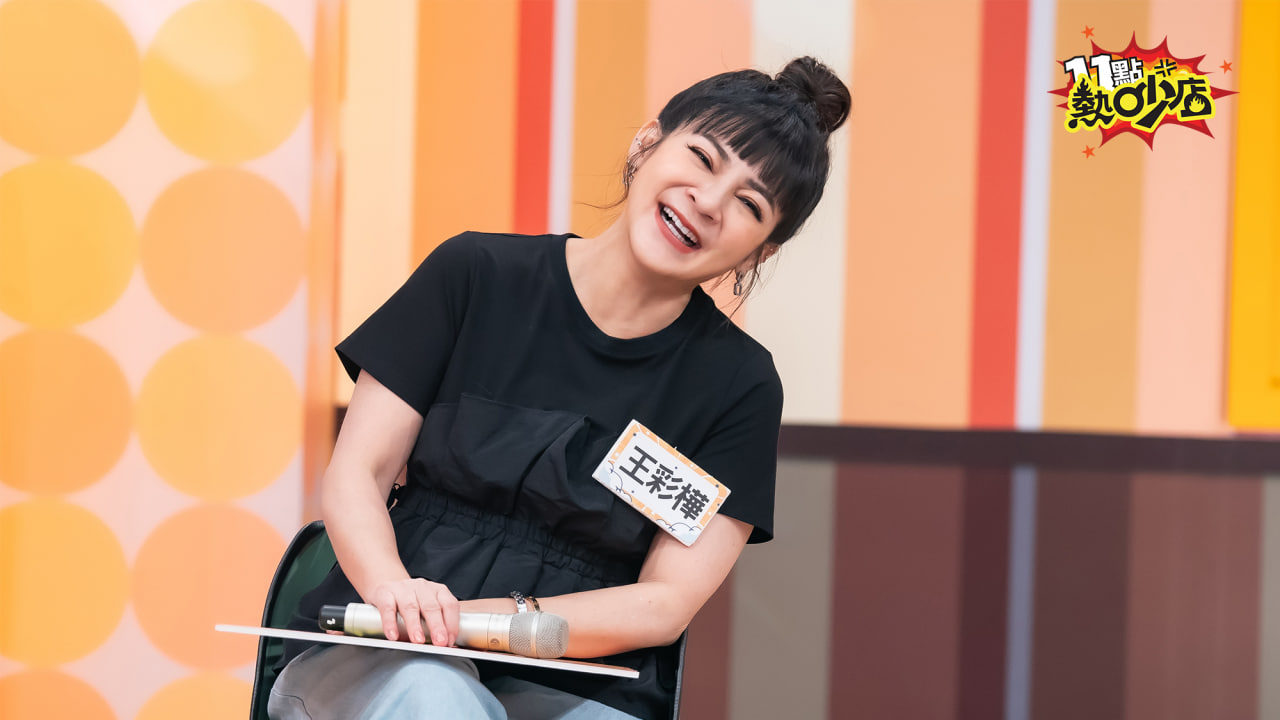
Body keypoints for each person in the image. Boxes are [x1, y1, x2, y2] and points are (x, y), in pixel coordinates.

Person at [268, 56, 851, 720]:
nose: (709, 203)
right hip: (386, 653)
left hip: (576, 686)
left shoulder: (739, 386)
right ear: (647, 143)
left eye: (749, 204)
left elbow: (664, 602)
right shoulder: (475, 274)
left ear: (761, 251)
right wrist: (395, 593)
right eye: (702, 159)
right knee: (436, 699)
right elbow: (359, 473)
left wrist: (486, 621)